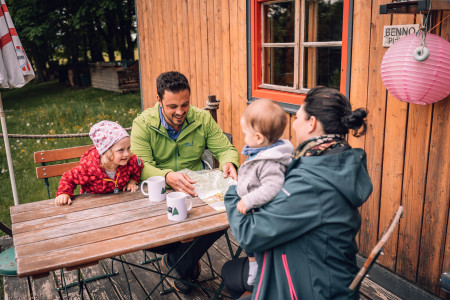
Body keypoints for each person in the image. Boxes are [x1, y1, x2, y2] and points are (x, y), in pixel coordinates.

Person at [222, 86, 373, 300]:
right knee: (231, 272)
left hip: (312, 289)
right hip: (312, 275)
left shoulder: (313, 180)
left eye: (298, 117)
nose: (293, 124)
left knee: (232, 275)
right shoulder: (331, 161)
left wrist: (233, 194)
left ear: (311, 123)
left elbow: (250, 234)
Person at [130, 71, 240, 294]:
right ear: (159, 100)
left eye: (185, 104)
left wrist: (229, 162)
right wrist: (168, 175)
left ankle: (176, 263)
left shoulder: (202, 118)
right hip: (160, 196)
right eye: (172, 106)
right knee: (157, 239)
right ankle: (184, 262)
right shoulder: (142, 124)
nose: (180, 112)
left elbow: (226, 149)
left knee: (228, 215)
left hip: (197, 194)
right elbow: (140, 165)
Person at [236, 99, 293, 286]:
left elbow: (272, 187)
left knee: (255, 244)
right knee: (249, 244)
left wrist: (249, 199)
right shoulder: (263, 152)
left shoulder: (271, 161)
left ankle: (260, 274)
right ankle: (254, 266)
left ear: (259, 138)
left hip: (260, 212)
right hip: (253, 209)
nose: (244, 137)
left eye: (245, 134)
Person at [55, 120, 143, 206]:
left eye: (128, 148)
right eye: (121, 150)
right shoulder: (89, 168)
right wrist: (64, 194)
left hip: (121, 202)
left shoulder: (130, 161)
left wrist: (132, 181)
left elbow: (138, 166)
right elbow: (68, 178)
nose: (127, 153)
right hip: (92, 204)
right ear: (106, 152)